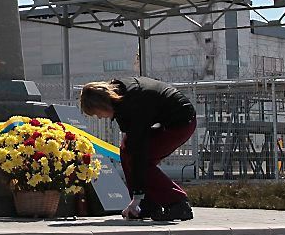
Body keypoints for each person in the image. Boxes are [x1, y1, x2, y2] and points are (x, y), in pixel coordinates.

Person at [79, 76, 197, 221]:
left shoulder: (131, 104)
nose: (98, 117)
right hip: (169, 120)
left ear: (102, 105)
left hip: (182, 123)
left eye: (97, 113)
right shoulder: (121, 95)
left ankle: (178, 204)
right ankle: (147, 205)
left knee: (140, 159)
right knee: (126, 150)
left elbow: (139, 152)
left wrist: (137, 196)